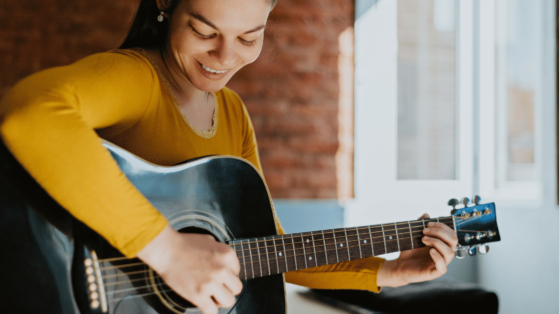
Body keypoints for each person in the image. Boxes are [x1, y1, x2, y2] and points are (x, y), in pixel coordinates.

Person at [0, 0, 459, 313]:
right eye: (204, 30)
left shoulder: (233, 114)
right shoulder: (139, 78)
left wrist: (390, 271)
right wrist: (169, 252)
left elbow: (269, 248)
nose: (224, 56)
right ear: (165, 4)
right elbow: (31, 115)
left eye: (248, 37)